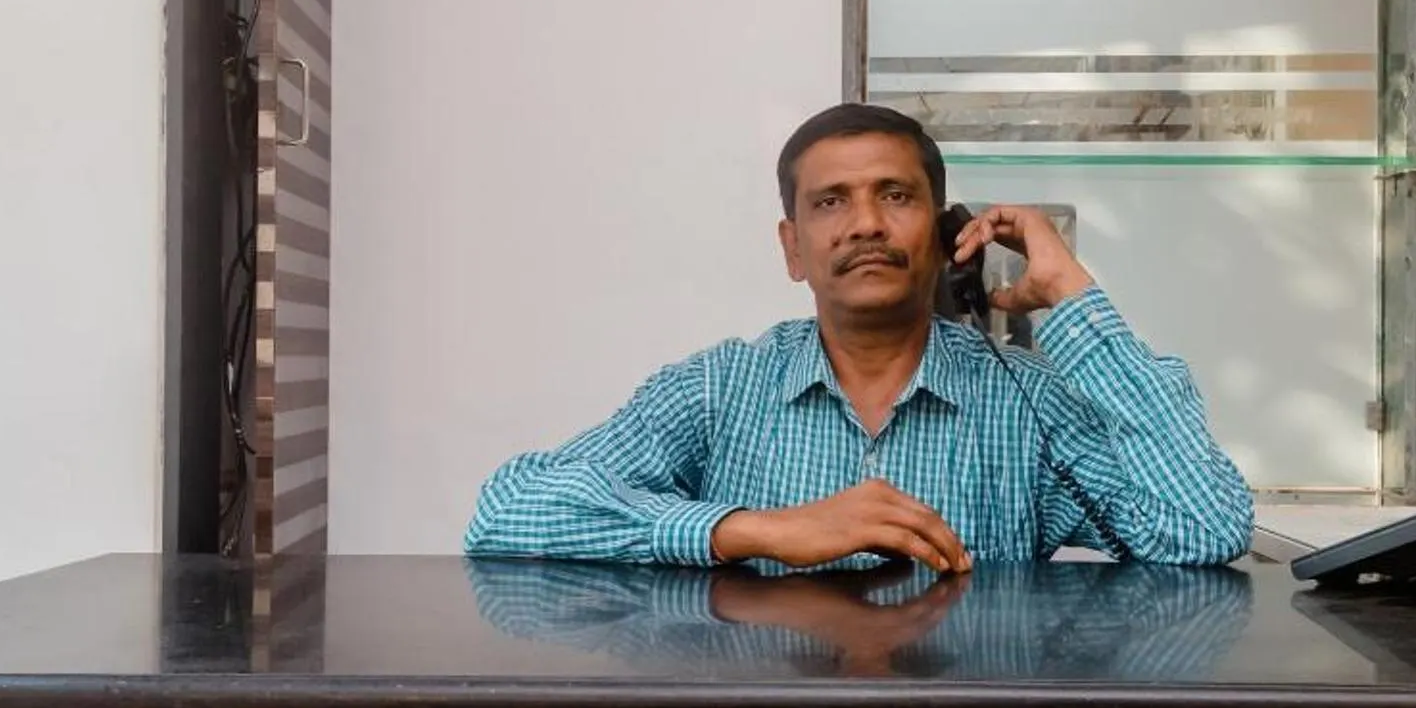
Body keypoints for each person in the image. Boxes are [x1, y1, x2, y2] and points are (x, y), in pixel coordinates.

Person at [464, 103, 1253, 569]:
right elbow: (507, 512)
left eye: (896, 195)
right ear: (793, 248)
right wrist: (759, 531)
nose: (867, 223)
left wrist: (1072, 297)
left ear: (946, 234)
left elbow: (1205, 526)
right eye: (831, 202)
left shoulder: (1025, 401)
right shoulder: (718, 389)